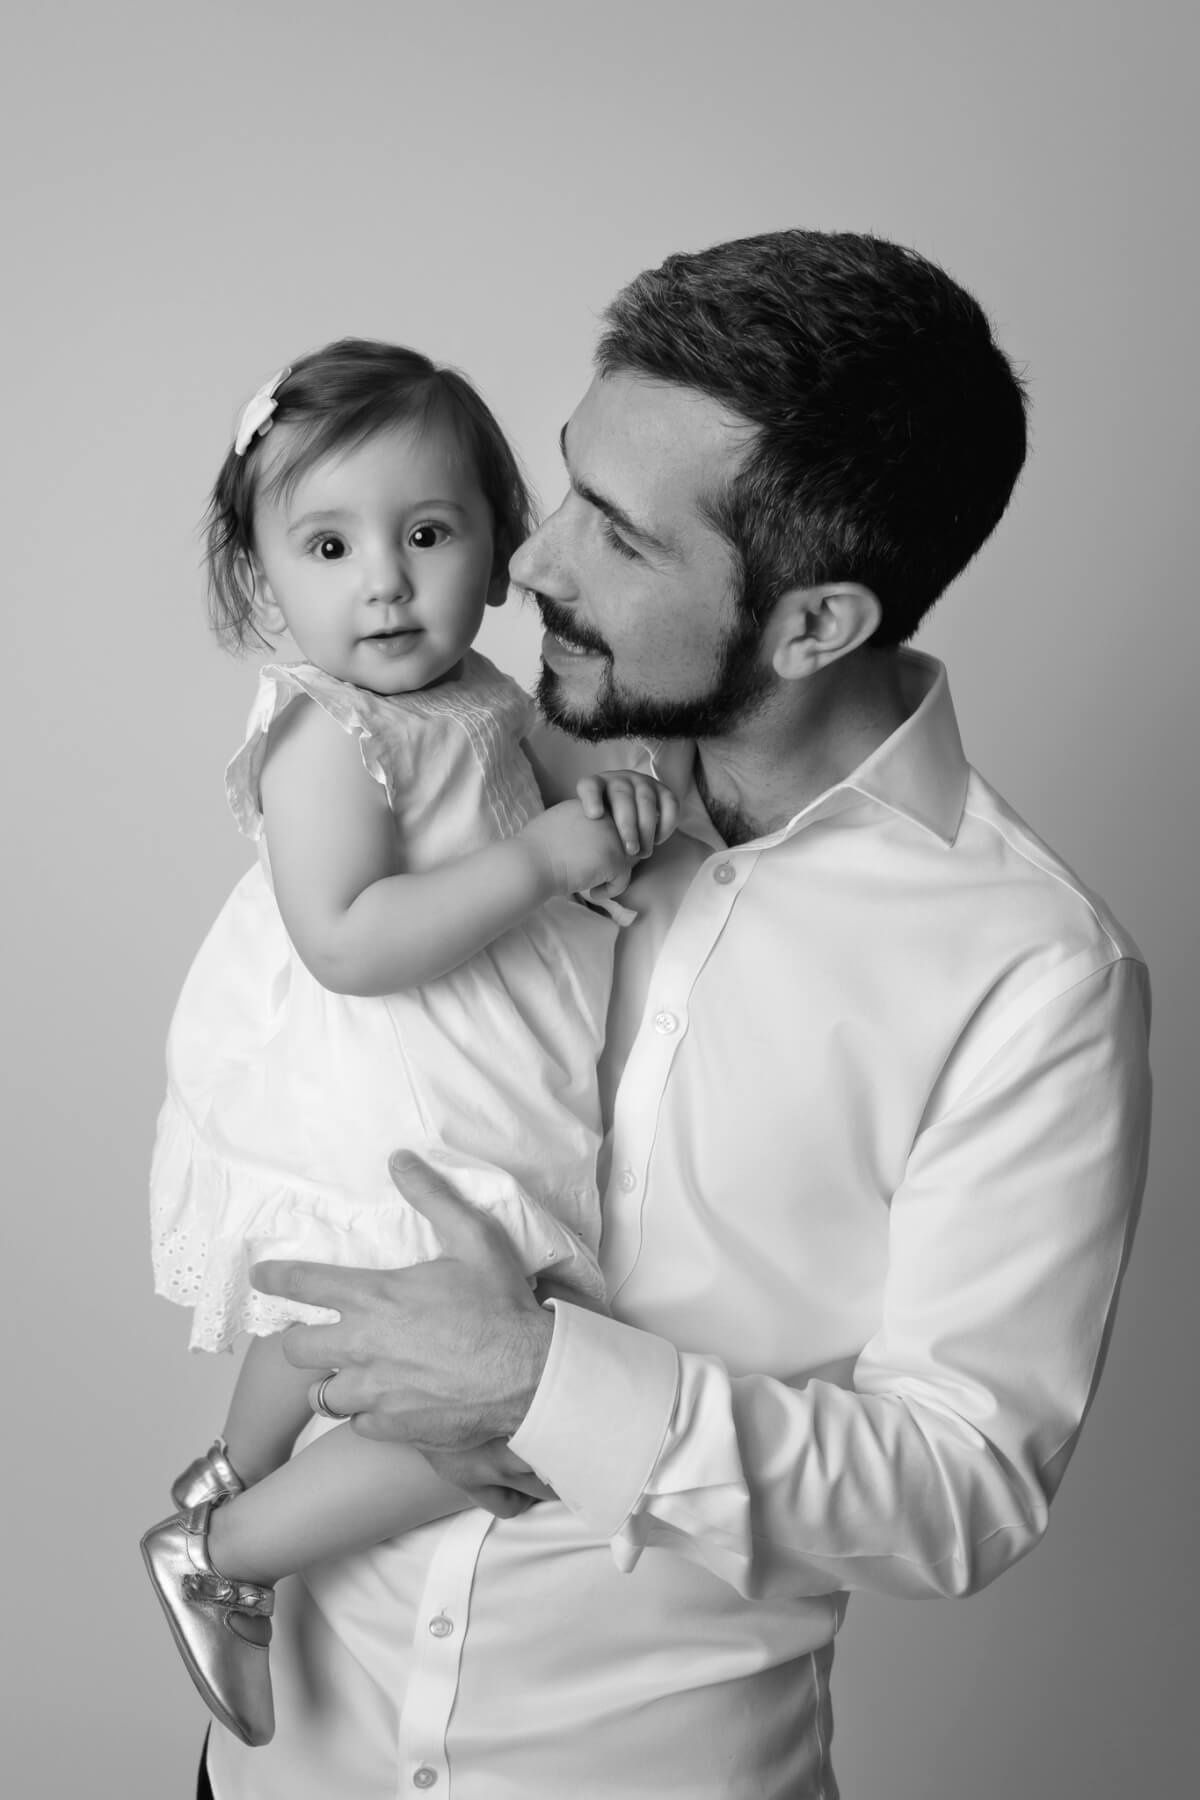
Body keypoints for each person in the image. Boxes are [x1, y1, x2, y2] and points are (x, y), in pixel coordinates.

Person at [208, 232, 1152, 1800]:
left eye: (620, 541)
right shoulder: (474, 766)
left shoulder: (1031, 973)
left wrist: (539, 1385)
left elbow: (960, 1491)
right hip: (282, 1758)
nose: (528, 565)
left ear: (813, 626)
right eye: (567, 484)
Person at [140, 338, 675, 1747]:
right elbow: (350, 940)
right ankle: (228, 1553)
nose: (383, 579)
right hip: (398, 1081)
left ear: (501, 555)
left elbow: (573, 793)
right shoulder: (325, 732)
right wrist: (548, 864)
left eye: (427, 534)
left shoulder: (490, 694)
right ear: (263, 584)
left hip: (483, 1061)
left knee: (342, 1323)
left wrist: (611, 825)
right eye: (328, 544)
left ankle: (218, 1483)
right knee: (517, 1391)